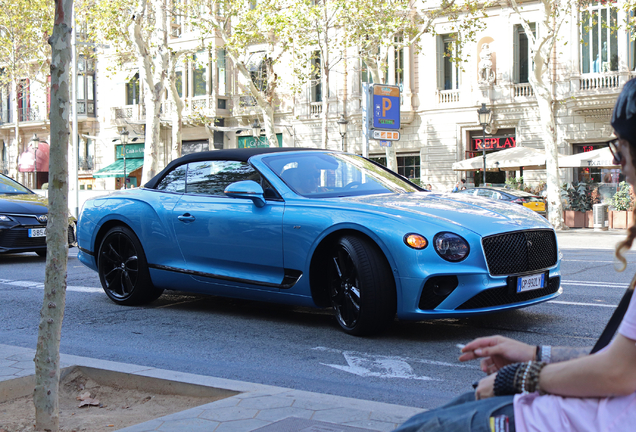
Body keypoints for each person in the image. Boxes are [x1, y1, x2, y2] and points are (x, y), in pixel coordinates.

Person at [394, 78, 636, 432]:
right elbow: (617, 361)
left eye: (621, 148)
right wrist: (536, 354)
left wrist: (520, 377)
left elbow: (618, 373)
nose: (620, 166)